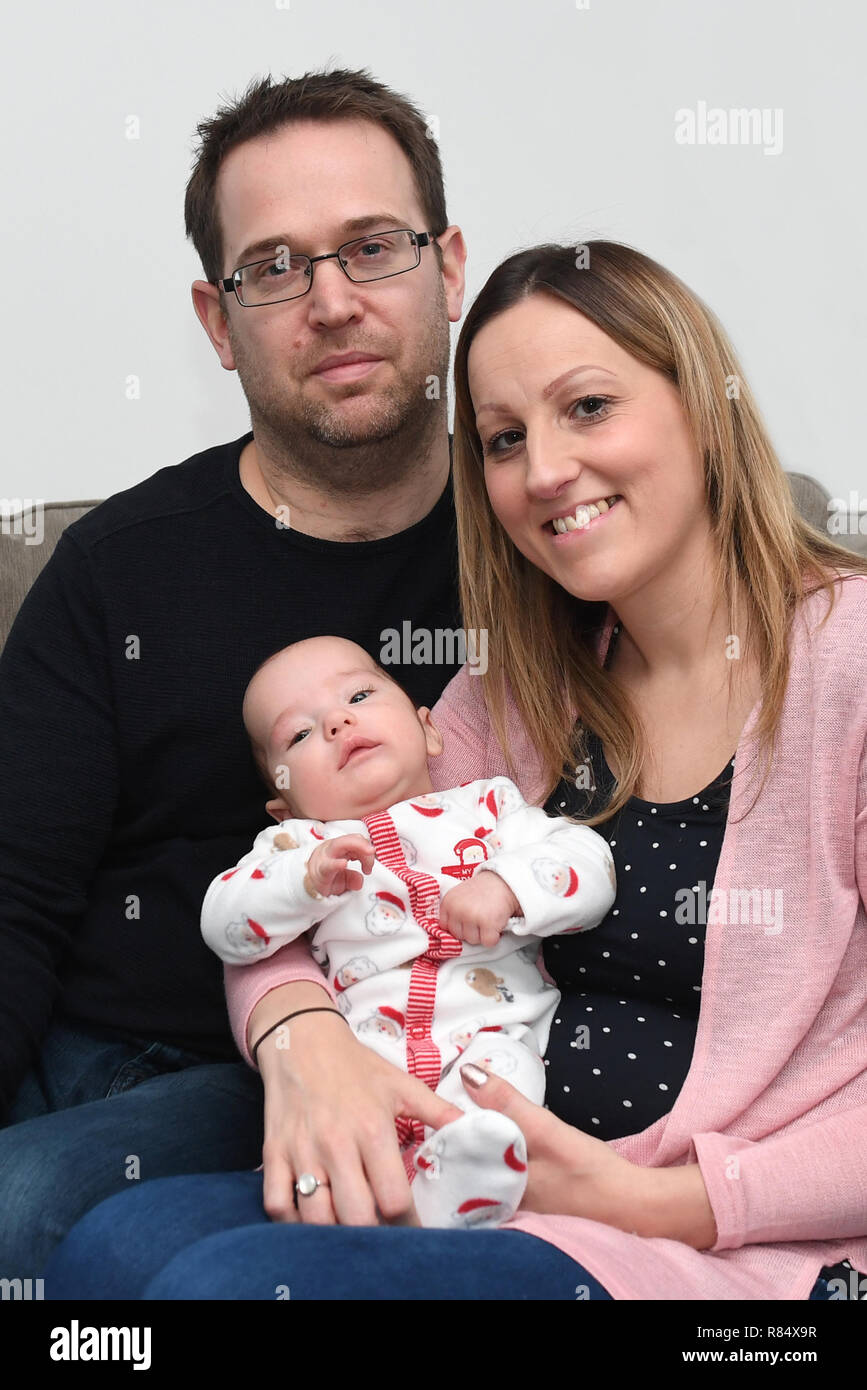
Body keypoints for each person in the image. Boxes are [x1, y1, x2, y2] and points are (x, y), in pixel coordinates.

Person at [44, 241, 867, 1301]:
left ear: (703, 407)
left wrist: (664, 1200)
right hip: (482, 1179)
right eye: (505, 439)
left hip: (732, 1249)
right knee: (104, 1253)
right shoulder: (513, 692)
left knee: (224, 1293)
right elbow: (310, 886)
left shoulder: (846, 660)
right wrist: (304, 1037)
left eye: (588, 408)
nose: (546, 472)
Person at [0, 67, 471, 1275]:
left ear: (449, 267)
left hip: (416, 1041)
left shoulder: (551, 536)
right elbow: (13, 900)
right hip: (123, 1054)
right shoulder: (116, 571)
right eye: (275, 267)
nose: (331, 302)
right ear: (219, 321)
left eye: (372, 247)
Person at [200, 633, 616, 1227]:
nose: (339, 722)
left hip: (487, 1038)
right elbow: (225, 925)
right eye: (299, 734)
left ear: (429, 731)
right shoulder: (296, 846)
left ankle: (453, 1191)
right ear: (284, 806)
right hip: (361, 1064)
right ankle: (379, 1202)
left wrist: (508, 886)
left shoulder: (491, 808)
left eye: (361, 695)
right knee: (335, 1143)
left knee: (504, 1085)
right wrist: (301, 883)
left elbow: (589, 860)